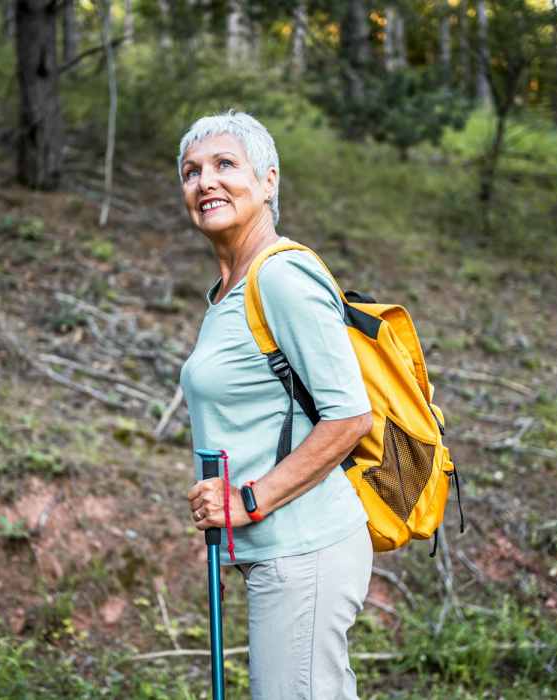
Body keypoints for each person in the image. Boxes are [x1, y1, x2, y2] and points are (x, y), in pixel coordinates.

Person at [178, 110, 374, 700]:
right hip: (277, 552)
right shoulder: (226, 292)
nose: (205, 181)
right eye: (191, 172)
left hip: (306, 548)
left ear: (268, 181)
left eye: (225, 164)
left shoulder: (282, 276)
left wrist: (247, 500)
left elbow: (350, 416)